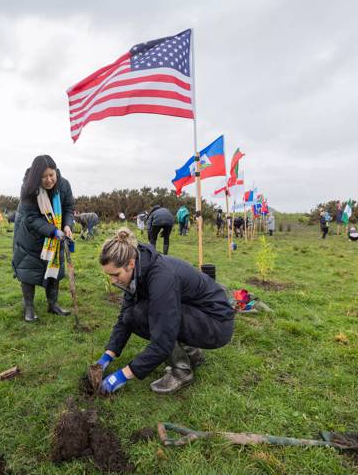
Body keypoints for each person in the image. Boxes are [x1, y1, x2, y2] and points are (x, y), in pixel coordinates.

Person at [95, 228, 234, 395]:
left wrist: (123, 375)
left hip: (215, 323)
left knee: (143, 314)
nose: (112, 280)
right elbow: (124, 317)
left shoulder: (161, 278)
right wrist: (108, 355)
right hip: (196, 314)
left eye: (115, 274)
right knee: (131, 315)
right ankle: (192, 354)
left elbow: (163, 337)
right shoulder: (139, 269)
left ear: (130, 264)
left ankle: (181, 372)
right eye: (109, 276)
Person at [12, 155, 75, 323]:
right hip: (30, 236)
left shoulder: (64, 185)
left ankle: (53, 304)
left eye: (51, 175)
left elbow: (69, 207)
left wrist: (67, 226)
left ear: (56, 172)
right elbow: (31, 218)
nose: (48, 180)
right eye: (44, 176)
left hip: (56, 235)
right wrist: (53, 231)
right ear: (36, 176)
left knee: (54, 268)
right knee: (29, 270)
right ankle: (29, 307)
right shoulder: (29, 188)